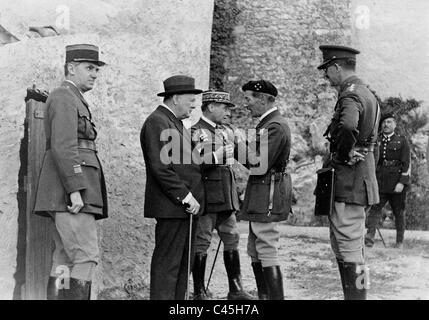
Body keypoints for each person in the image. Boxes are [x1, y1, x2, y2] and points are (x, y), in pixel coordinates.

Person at [33, 44, 108, 300]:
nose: (95, 74)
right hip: (70, 192)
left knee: (64, 256)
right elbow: (64, 146)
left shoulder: (73, 97)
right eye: (89, 68)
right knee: (86, 256)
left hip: (65, 190)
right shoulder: (65, 96)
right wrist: (75, 190)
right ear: (71, 68)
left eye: (97, 69)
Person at [317, 45, 380, 300]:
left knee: (350, 249)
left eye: (327, 71)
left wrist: (343, 154)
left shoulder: (350, 95)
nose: (326, 77)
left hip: (348, 181)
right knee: (350, 248)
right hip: (359, 180)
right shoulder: (367, 93)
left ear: (336, 67)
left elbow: (348, 125)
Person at [140, 75, 205, 300]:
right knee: (168, 267)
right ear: (176, 98)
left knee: (181, 267)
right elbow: (162, 168)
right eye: (191, 100)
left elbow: (184, 163)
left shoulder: (174, 123)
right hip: (174, 207)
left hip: (184, 209)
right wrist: (186, 197)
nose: (194, 105)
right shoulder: (158, 122)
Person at [191, 90, 254, 300]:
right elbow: (192, 165)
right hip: (207, 196)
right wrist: (215, 157)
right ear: (210, 107)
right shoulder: (194, 132)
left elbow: (248, 159)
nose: (228, 112)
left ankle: (235, 289)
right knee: (202, 242)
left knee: (232, 238)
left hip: (226, 196)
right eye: (224, 107)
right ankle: (199, 291)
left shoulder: (227, 131)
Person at [235, 80, 293, 300]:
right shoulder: (267, 124)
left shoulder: (274, 126)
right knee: (256, 247)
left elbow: (259, 163)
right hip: (262, 188)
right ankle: (264, 297)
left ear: (262, 99)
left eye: (249, 99)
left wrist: (236, 145)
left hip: (267, 189)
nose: (246, 104)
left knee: (266, 245)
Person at [365, 112, 411, 248]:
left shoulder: (402, 141)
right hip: (380, 181)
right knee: (375, 208)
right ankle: (369, 238)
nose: (386, 125)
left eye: (389, 122)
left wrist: (402, 182)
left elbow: (407, 164)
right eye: (384, 122)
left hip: (397, 182)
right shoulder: (376, 140)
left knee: (399, 212)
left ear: (395, 125)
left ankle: (399, 242)